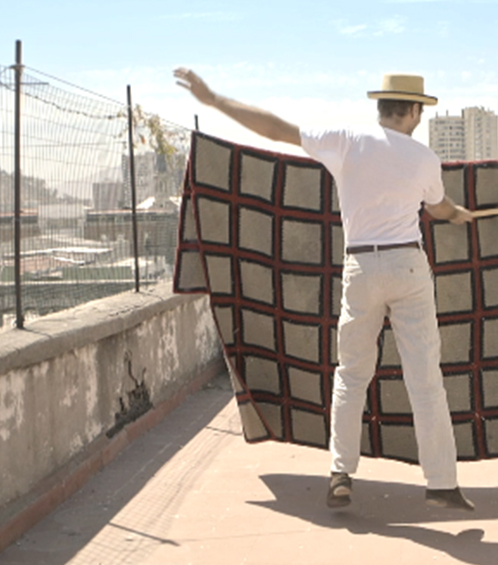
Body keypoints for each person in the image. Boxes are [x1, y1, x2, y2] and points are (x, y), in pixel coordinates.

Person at [174, 69, 476, 511]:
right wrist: (457, 214)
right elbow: (440, 207)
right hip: (408, 266)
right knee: (425, 379)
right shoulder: (424, 159)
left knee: (351, 375)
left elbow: (276, 129)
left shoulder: (347, 141)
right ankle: (442, 485)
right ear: (414, 110)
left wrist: (215, 99)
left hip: (361, 267)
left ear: (380, 107)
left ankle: (340, 475)